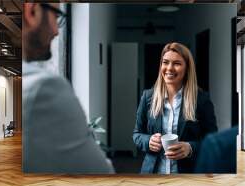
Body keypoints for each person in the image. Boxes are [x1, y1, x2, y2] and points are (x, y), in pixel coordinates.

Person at [22, 3, 114, 173]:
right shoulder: (44, 87)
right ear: (32, 11)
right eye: (56, 16)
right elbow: (101, 174)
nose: (57, 31)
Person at [133, 42, 217, 174]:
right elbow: (137, 134)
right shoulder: (147, 97)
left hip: (188, 176)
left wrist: (190, 148)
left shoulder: (201, 99)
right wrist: (148, 141)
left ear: (187, 68)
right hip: (152, 175)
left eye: (177, 63)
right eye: (165, 62)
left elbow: (212, 141)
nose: (169, 68)